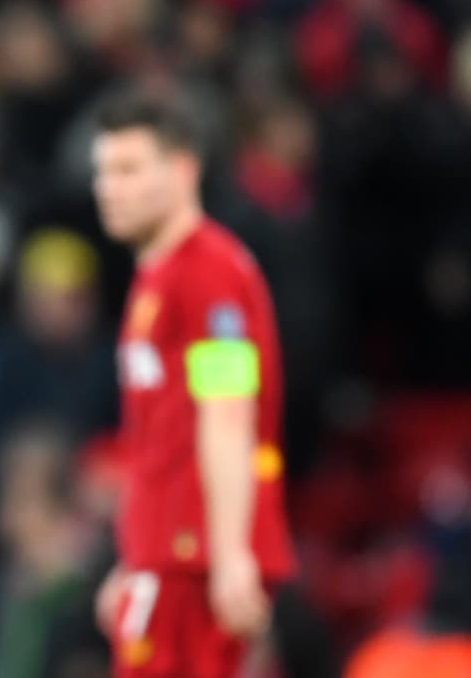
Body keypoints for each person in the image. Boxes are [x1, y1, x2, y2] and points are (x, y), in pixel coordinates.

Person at [88, 99, 295, 678]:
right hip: (168, 553)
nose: (108, 188)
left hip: (196, 559)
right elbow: (162, 434)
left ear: (182, 171)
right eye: (102, 171)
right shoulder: (158, 277)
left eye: (128, 169)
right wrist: (135, 556)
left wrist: (230, 554)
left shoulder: (210, 274)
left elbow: (228, 412)